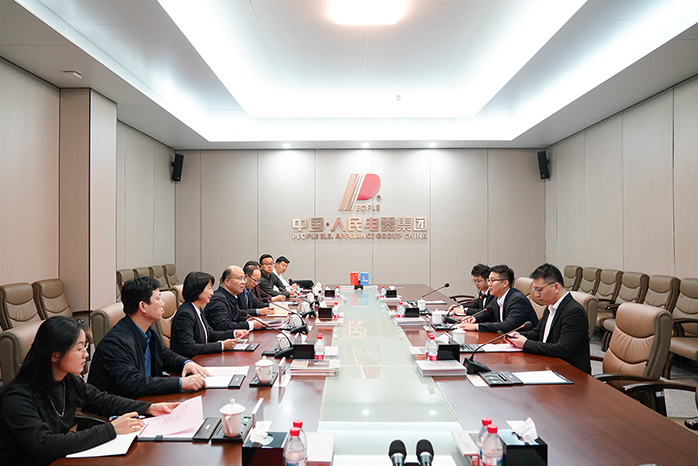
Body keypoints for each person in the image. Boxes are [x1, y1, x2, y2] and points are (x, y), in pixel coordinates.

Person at [0, 316, 179, 466]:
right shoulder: (17, 397)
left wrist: (148, 407)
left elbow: (103, 400)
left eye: (85, 348)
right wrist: (111, 429)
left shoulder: (68, 381)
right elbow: (45, 445)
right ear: (55, 355)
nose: (86, 355)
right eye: (79, 349)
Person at [88, 277, 209, 398]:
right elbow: (133, 383)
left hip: (146, 399)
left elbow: (165, 356)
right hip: (122, 406)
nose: (162, 303)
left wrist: (186, 363)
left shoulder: (148, 330)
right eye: (158, 299)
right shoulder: (116, 343)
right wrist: (181, 383)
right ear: (143, 306)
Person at [506, 264, 591, 373]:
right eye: (534, 290)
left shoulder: (573, 312)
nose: (536, 295)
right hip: (549, 364)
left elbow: (562, 349)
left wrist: (525, 344)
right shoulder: (550, 306)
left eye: (539, 290)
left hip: (570, 373)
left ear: (556, 287)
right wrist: (517, 336)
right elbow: (537, 333)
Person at [171, 271, 249, 358]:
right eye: (209, 288)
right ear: (198, 290)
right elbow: (190, 347)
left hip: (201, 358)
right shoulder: (185, 314)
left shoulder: (197, 308)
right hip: (190, 361)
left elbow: (210, 334)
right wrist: (222, 345)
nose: (212, 293)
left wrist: (234, 333)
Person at [459, 264, 538, 333]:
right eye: (488, 280)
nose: (489, 284)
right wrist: (473, 318)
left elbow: (508, 325)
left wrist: (477, 326)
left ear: (505, 283)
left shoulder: (517, 299)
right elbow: (487, 312)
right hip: (505, 338)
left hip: (523, 341)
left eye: (492, 280)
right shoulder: (497, 297)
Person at [205, 266, 268, 332]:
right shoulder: (218, 300)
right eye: (240, 279)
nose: (243, 282)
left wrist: (248, 319)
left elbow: (236, 316)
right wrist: (250, 324)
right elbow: (223, 326)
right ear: (227, 281)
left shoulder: (231, 296)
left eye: (244, 279)